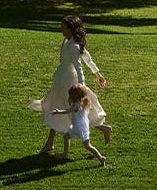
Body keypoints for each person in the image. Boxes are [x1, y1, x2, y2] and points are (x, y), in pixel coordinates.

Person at [28, 14, 112, 154]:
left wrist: (82, 86)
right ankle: (50, 142)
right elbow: (87, 58)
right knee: (61, 108)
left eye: (64, 27)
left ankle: (103, 128)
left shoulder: (72, 46)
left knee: (71, 110)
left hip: (68, 82)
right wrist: (98, 75)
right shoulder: (68, 42)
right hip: (61, 80)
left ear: (71, 28)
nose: (61, 29)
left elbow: (80, 65)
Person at [51, 84, 106, 166]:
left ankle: (100, 158)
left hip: (78, 128)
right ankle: (65, 154)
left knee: (87, 145)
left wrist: (58, 111)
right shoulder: (84, 102)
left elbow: (68, 111)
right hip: (83, 127)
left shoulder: (75, 105)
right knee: (73, 139)